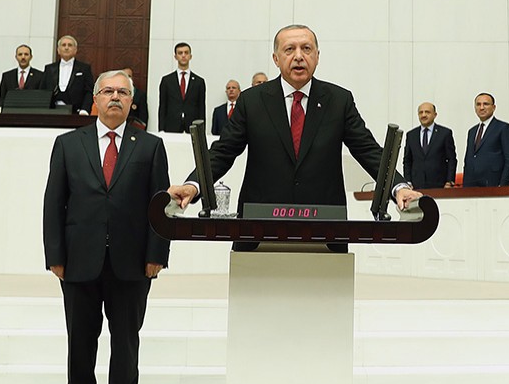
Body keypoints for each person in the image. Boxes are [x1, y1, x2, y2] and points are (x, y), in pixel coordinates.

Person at [167, 24, 422, 247]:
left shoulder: (338, 101)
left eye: (306, 49)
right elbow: (223, 152)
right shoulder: (252, 101)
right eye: (289, 50)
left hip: (326, 228)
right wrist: (194, 185)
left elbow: (368, 150)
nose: (299, 57)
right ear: (276, 58)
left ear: (318, 56)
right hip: (258, 227)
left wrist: (398, 187)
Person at [43, 70, 170, 384]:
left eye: (123, 92)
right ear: (95, 99)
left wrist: (157, 254)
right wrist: (55, 255)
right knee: (80, 340)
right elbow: (54, 203)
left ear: (132, 101)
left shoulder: (150, 146)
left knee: (126, 340)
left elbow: (159, 207)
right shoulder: (68, 144)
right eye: (108, 91)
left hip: (132, 262)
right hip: (79, 260)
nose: (115, 97)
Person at [463, 93, 509, 187]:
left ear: (494, 107)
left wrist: (504, 184)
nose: (482, 107)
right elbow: (469, 158)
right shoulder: (472, 131)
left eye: (486, 104)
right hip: (471, 184)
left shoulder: (503, 128)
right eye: (478, 104)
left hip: (493, 182)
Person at [402, 102, 457, 189]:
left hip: (439, 184)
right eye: (421, 112)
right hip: (416, 185)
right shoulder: (411, 135)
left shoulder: (445, 133)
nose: (423, 115)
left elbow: (451, 159)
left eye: (427, 112)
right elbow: (407, 160)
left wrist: (449, 181)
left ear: (435, 115)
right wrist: (408, 181)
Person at [157, 42, 206, 133]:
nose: (183, 55)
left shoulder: (199, 82)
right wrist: (161, 129)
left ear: (190, 56)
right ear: (175, 57)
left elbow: (201, 108)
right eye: (180, 53)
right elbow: (162, 106)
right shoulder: (166, 80)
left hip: (192, 127)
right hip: (171, 126)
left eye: (186, 53)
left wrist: (201, 130)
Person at [43, 35, 94, 114]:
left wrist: (85, 110)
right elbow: (43, 90)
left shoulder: (84, 69)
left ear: (75, 50)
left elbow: (89, 91)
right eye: (63, 45)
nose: (66, 48)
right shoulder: (49, 68)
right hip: (51, 112)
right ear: (58, 50)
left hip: (77, 112)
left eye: (70, 45)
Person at [0, 44, 44, 111]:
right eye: (20, 54)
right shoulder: (7, 76)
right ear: (16, 57)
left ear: (31, 57)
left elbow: (41, 98)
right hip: (11, 113)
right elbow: (2, 98)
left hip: (31, 113)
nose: (23, 57)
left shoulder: (40, 76)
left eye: (26, 54)